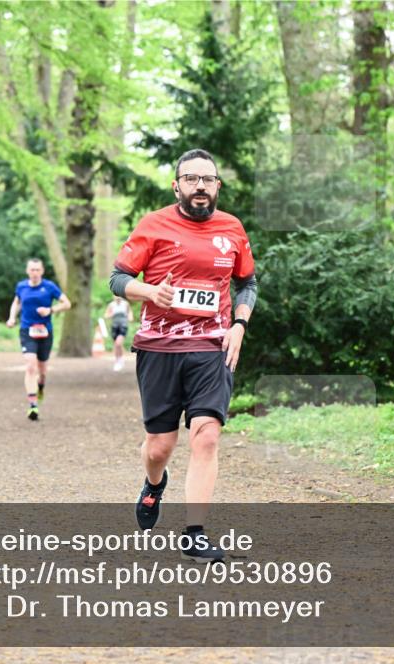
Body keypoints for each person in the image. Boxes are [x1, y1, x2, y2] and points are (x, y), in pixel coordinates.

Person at [109, 148, 257, 562]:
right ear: (177, 185)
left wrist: (240, 325)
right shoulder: (154, 224)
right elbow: (117, 278)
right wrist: (149, 291)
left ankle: (194, 533)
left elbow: (247, 284)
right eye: (191, 179)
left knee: (206, 435)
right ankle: (155, 484)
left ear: (217, 186)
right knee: (159, 446)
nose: (200, 186)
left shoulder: (232, 228)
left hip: (212, 347)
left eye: (207, 179)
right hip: (159, 347)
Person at [6, 258, 71, 421]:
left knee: (42, 371)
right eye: (32, 270)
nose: (34, 272)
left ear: (42, 271)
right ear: (27, 271)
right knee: (30, 366)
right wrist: (12, 318)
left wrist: (50, 310)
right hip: (27, 330)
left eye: (37, 270)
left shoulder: (49, 287)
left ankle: (40, 386)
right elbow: (16, 303)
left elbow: (67, 303)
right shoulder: (21, 286)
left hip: (45, 332)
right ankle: (33, 405)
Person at [104, 296, 133, 371]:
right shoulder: (111, 305)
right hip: (114, 327)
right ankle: (119, 359)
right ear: (113, 296)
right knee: (116, 345)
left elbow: (129, 312)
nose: (117, 297)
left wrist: (130, 317)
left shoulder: (125, 304)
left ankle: (119, 361)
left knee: (118, 343)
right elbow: (106, 315)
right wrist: (111, 315)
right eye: (116, 296)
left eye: (119, 296)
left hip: (123, 326)